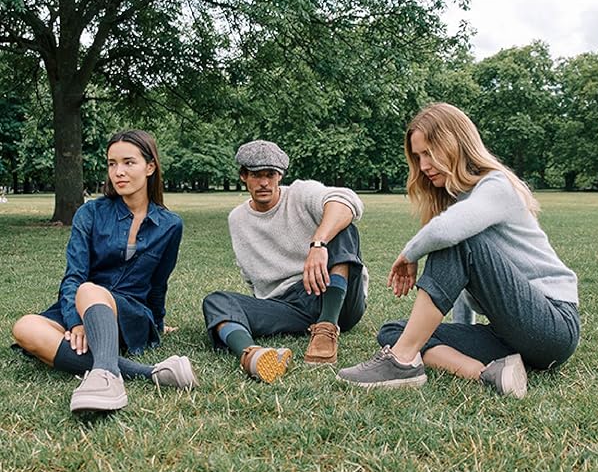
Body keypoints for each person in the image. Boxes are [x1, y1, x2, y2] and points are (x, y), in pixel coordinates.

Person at [337, 102, 580, 397]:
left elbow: (447, 232)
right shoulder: (460, 204)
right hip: (512, 336)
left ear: (454, 144)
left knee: (457, 239)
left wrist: (409, 254)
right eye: (418, 156)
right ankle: (488, 374)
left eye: (429, 153)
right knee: (395, 331)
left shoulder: (496, 185)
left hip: (553, 327)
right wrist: (461, 333)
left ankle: (401, 362)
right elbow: (465, 285)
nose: (423, 166)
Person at [10, 129, 194, 413]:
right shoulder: (90, 213)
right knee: (25, 328)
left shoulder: (170, 225)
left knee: (90, 289)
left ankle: (106, 379)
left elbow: (158, 285)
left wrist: (157, 325)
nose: (118, 172)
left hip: (129, 312)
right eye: (112, 163)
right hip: (83, 306)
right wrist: (76, 322)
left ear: (150, 166)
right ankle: (149, 373)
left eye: (128, 162)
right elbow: (74, 275)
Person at [202, 140, 367, 383]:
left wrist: (318, 244)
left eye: (270, 174)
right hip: (288, 306)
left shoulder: (300, 193)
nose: (264, 183)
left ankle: (326, 328)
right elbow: (249, 274)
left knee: (344, 228)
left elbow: (347, 201)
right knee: (216, 301)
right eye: (256, 175)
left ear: (280, 175)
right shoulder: (237, 219)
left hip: (336, 296)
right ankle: (252, 355)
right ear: (243, 176)